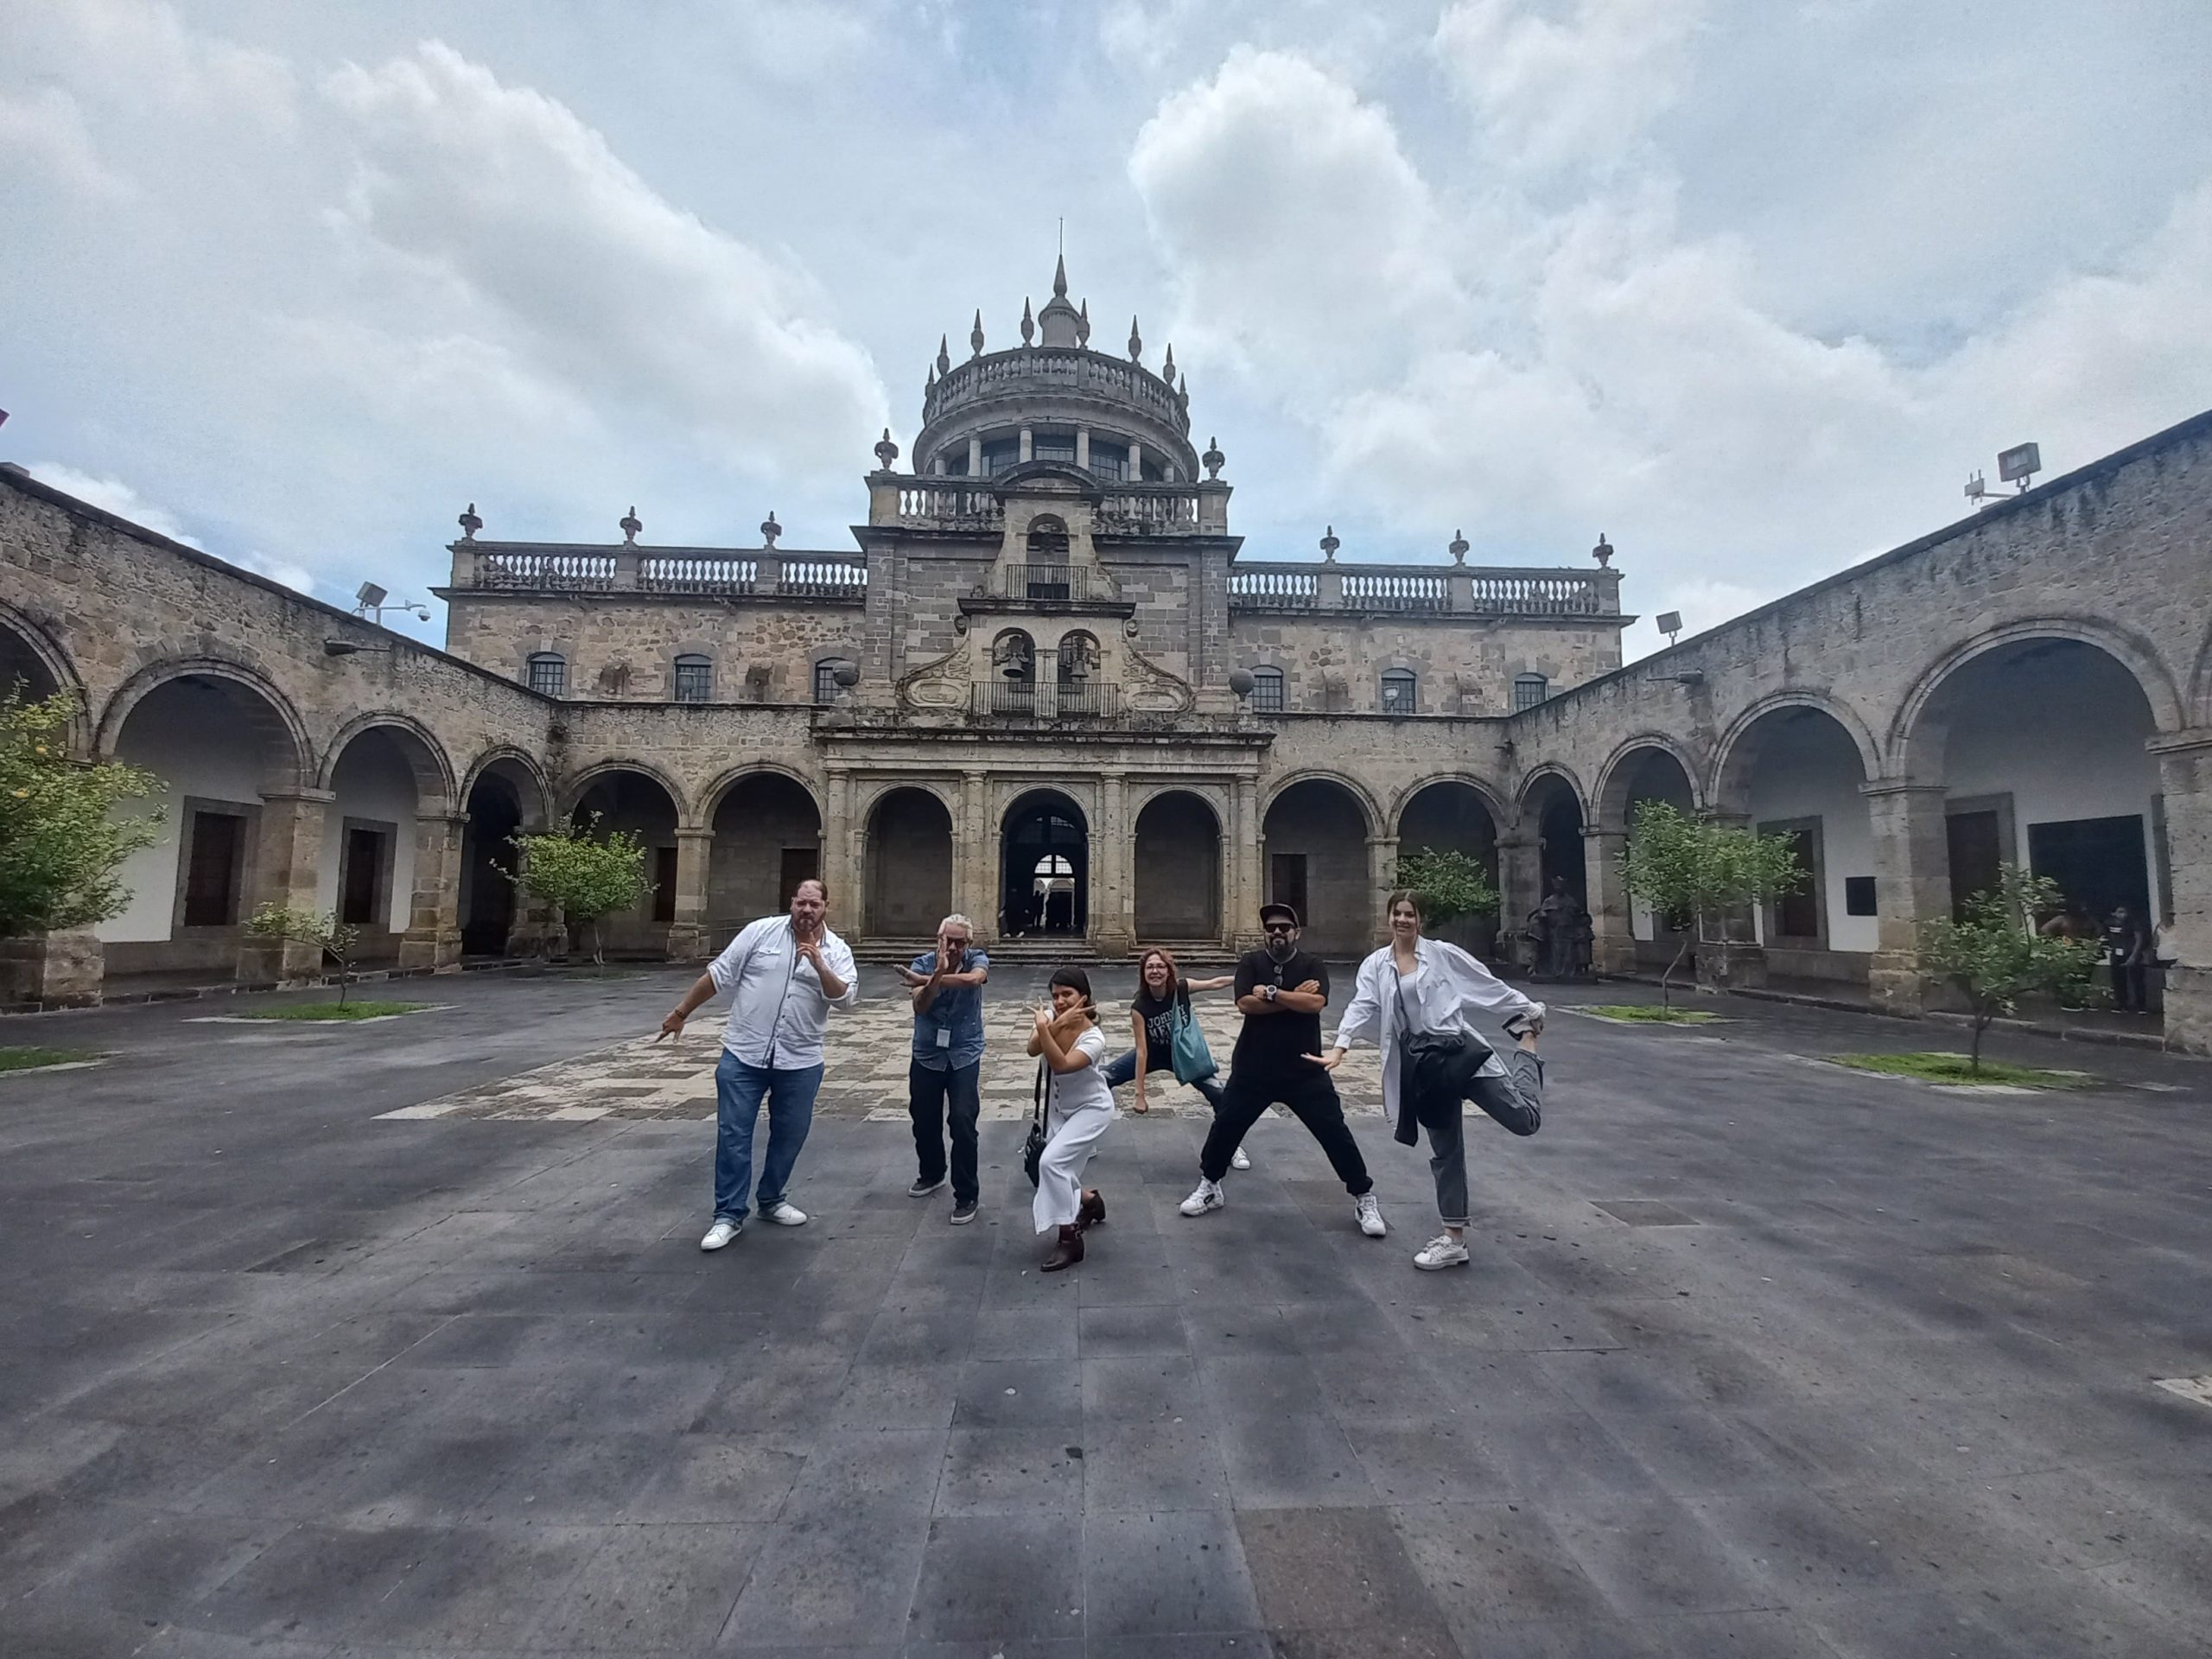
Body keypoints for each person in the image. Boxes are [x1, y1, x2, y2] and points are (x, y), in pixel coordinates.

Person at [1319, 891, 1547, 1271]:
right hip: (1425, 1065)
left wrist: (1527, 1010)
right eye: (1397, 913)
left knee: (1524, 1121)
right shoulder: (1376, 964)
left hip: (1461, 1052)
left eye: (1409, 914)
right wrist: (1340, 1046)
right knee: (1446, 1151)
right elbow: (1363, 1004)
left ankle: (1528, 1044)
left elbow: (1484, 984)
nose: (1402, 920)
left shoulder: (1442, 954)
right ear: (1389, 917)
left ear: (1420, 919)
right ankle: (1453, 1238)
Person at [661, 878, 858, 1250]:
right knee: (734, 1134)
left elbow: (845, 999)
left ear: (826, 908)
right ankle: (728, 1215)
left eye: (814, 905)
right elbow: (717, 976)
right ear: (792, 902)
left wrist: (818, 963)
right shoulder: (759, 933)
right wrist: (681, 1012)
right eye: (801, 903)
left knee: (790, 1135)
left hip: (800, 1060)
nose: (806, 911)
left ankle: (771, 1199)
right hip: (744, 1055)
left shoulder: (837, 950)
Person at [1179, 902, 1386, 1238]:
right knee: (1226, 1127)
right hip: (1253, 1068)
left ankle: (1364, 1195)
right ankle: (1210, 1185)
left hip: (1304, 1068)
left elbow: (1316, 1004)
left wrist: (1272, 993)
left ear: (1296, 933)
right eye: (1271, 928)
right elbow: (1245, 1004)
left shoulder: (1312, 964)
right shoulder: (1251, 962)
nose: (1277, 932)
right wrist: (1292, 999)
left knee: (1334, 1133)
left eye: (1284, 927)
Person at [1106, 947, 1249, 1170]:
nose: (1155, 971)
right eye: (1150, 967)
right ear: (1143, 973)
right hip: (1154, 1053)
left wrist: (1245, 977)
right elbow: (1142, 1051)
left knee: (1220, 1096)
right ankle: (1081, 1138)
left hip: (1182, 1054)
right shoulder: (1140, 1007)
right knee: (1102, 1077)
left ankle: (1231, 1146)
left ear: (1169, 971)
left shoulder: (1181, 989)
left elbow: (1214, 983)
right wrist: (1140, 1095)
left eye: (1160, 966)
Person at [895, 913, 989, 1224]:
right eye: (946, 940)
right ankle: (932, 1172)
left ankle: (966, 1194)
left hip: (964, 1051)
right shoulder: (923, 963)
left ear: (969, 944)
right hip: (927, 1053)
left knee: (963, 1119)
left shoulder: (977, 958)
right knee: (923, 1117)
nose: (951, 948)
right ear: (938, 939)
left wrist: (922, 979)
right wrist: (934, 975)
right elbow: (921, 1005)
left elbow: (975, 979)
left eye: (958, 942)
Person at [1030, 965, 1112, 1272]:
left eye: (1067, 994)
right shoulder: (1051, 1018)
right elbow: (1030, 1050)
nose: (1060, 1001)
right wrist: (1053, 1024)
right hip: (1057, 1108)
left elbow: (1062, 1065)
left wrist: (1045, 1028)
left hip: (1091, 1109)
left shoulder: (1094, 1037)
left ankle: (1070, 1240)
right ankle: (1089, 1201)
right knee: (1059, 1168)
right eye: (1055, 996)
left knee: (1051, 1163)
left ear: (1084, 997)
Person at [2105, 905, 2151, 1014]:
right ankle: (2121, 1003)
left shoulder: (2134, 923)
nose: (2122, 915)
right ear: (2114, 913)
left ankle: (2141, 1005)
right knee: (2118, 979)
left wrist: (2134, 956)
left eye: (2123, 912)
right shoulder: (2109, 923)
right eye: (2119, 912)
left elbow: (2139, 940)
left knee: (2137, 980)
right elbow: (2105, 934)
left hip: (2131, 953)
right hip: (2116, 954)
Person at [1537, 876, 1582, 980]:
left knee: (1569, 952)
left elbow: (1577, 912)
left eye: (1561, 886)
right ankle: (1556, 971)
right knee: (1556, 952)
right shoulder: (1549, 900)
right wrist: (1545, 915)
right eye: (1557, 887)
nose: (1559, 889)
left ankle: (1568, 971)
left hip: (1568, 929)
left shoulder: (1570, 900)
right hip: (1555, 930)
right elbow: (1541, 912)